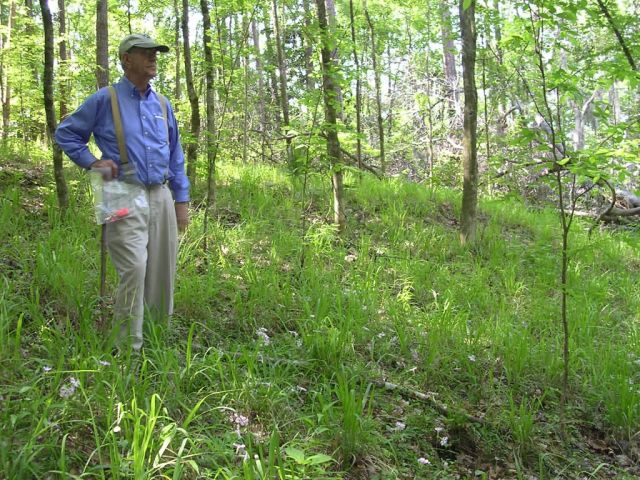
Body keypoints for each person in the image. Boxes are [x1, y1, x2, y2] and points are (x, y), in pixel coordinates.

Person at [55, 34, 190, 352]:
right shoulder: (106, 99)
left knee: (161, 271)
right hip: (120, 192)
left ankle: (156, 340)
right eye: (146, 53)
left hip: (160, 193)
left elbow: (175, 154)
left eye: (155, 53)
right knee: (134, 269)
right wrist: (92, 161)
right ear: (127, 59)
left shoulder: (162, 104)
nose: (153, 58)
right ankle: (127, 349)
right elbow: (67, 133)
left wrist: (181, 199)